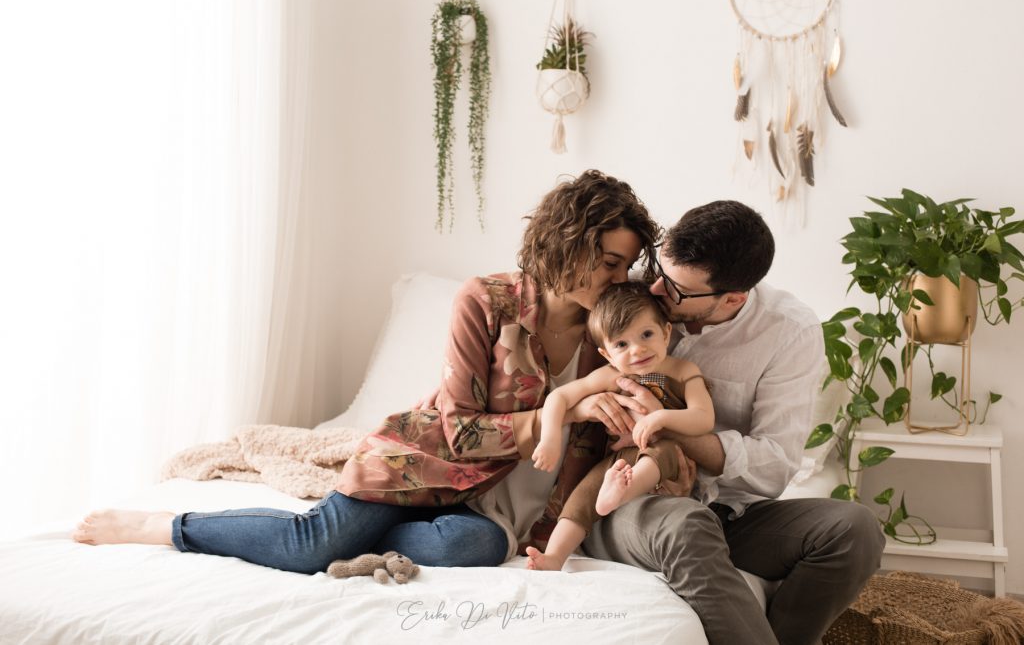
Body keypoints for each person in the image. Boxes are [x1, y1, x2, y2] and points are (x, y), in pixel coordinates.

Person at [72, 169, 663, 575]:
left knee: (474, 548)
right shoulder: (486, 300)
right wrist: (567, 408)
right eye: (609, 263)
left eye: (625, 266)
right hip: (421, 465)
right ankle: (167, 525)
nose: (618, 278)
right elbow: (461, 432)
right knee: (312, 546)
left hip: (482, 512)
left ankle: (361, 538)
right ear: (566, 245)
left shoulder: (612, 334)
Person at [572, 200, 885, 645]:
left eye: (677, 291)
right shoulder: (631, 296)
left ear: (732, 298)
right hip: (631, 497)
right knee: (686, 525)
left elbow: (775, 465)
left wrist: (670, 425)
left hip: (730, 511)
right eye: (661, 269)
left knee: (856, 530)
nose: (657, 291)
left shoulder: (788, 330)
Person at [525, 281, 714, 572]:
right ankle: (554, 558)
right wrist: (549, 437)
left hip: (671, 456)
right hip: (621, 460)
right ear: (607, 354)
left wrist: (660, 418)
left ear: (666, 333)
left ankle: (622, 494)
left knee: (660, 451)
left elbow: (703, 418)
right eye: (622, 344)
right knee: (583, 495)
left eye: (646, 335)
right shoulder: (611, 374)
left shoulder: (683, 371)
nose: (637, 350)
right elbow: (559, 397)